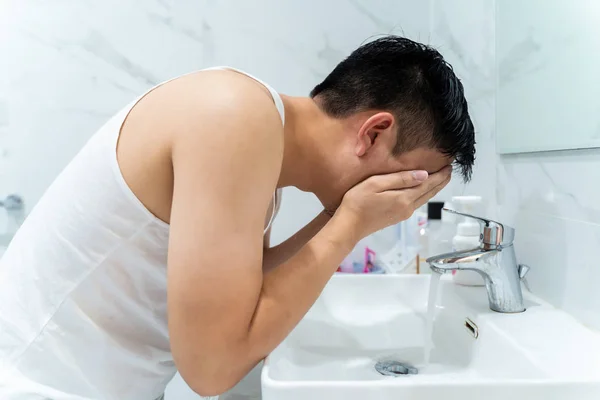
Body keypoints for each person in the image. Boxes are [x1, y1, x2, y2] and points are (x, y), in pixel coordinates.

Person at [0, 36, 475, 399]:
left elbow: (240, 299)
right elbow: (212, 369)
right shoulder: (234, 116)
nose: (413, 196)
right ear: (374, 134)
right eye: (418, 178)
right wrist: (350, 223)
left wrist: (347, 218)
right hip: (37, 384)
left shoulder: (258, 137)